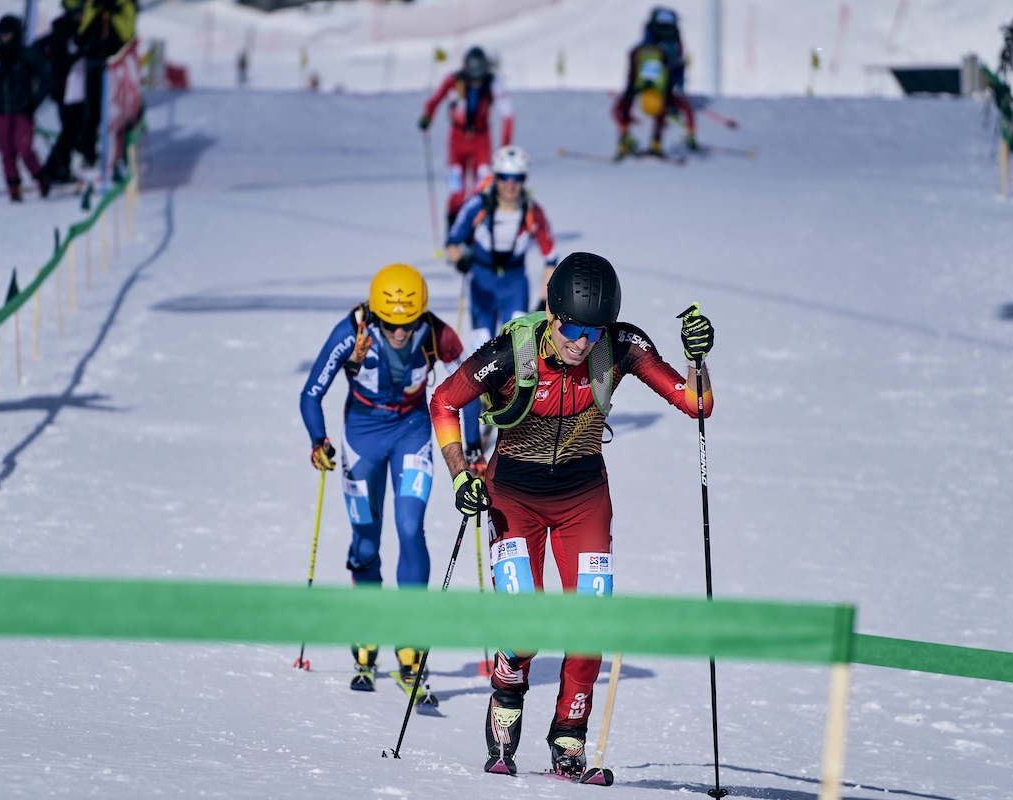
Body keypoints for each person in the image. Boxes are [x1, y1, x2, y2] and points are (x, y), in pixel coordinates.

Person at [428, 252, 714, 778]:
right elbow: (445, 402)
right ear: (552, 314)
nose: (581, 342)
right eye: (572, 328)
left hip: (584, 498)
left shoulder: (621, 345)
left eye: (592, 330)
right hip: (513, 496)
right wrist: (459, 473)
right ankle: (505, 713)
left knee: (589, 625)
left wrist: (697, 359)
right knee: (524, 631)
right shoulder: (511, 354)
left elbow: (697, 403)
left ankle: (569, 743)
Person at [299, 263, 466, 692]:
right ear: (376, 313)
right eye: (391, 322)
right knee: (366, 537)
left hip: (411, 433)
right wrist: (318, 440)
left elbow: (470, 386)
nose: (400, 331)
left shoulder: (437, 333)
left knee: (410, 528)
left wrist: (477, 445)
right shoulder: (350, 332)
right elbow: (312, 392)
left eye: (408, 321)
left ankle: (410, 640)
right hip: (362, 438)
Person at [444, 144, 556, 475]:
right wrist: (460, 259)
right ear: (495, 177)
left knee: (520, 353)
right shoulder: (478, 205)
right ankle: (479, 421)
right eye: (504, 178)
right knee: (484, 350)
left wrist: (542, 301)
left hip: (514, 285)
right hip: (481, 284)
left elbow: (550, 257)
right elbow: (452, 241)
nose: (510, 185)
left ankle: (521, 418)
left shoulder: (533, 211)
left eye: (516, 179)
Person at [419, 46, 514, 231]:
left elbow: (508, 115)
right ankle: (453, 232)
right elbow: (435, 99)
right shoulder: (453, 81)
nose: (476, 82)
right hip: (457, 141)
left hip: (481, 140)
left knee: (483, 188)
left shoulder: (492, 83)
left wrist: (504, 147)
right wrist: (428, 116)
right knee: (457, 190)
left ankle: (477, 231)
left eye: (480, 77)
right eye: (473, 78)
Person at [0, 15, 53, 201]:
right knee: (6, 151)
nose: (3, 37)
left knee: (24, 148)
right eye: (1, 33)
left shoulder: (28, 55)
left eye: (7, 33)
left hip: (22, 111)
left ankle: (41, 177)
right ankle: (14, 188)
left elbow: (47, 79)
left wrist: (34, 102)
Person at [611, 7, 698, 159]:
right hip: (663, 86)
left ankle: (625, 141)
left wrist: (628, 94)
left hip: (639, 83)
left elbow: (630, 80)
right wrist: (679, 88)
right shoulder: (663, 91)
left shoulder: (637, 53)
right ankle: (656, 143)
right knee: (664, 111)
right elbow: (677, 71)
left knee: (620, 109)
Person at [76, 0, 137, 175]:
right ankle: (89, 155)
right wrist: (96, 11)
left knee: (115, 112)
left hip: (116, 67)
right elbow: (82, 31)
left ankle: (117, 156)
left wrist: (114, 14)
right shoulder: (92, 4)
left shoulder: (126, 5)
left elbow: (127, 34)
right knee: (91, 112)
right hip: (94, 63)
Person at [37, 0, 90, 183]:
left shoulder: (75, 31)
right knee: (69, 133)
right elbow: (61, 61)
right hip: (66, 91)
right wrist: (81, 52)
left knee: (70, 132)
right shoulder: (63, 31)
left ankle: (58, 167)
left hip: (75, 91)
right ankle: (54, 168)